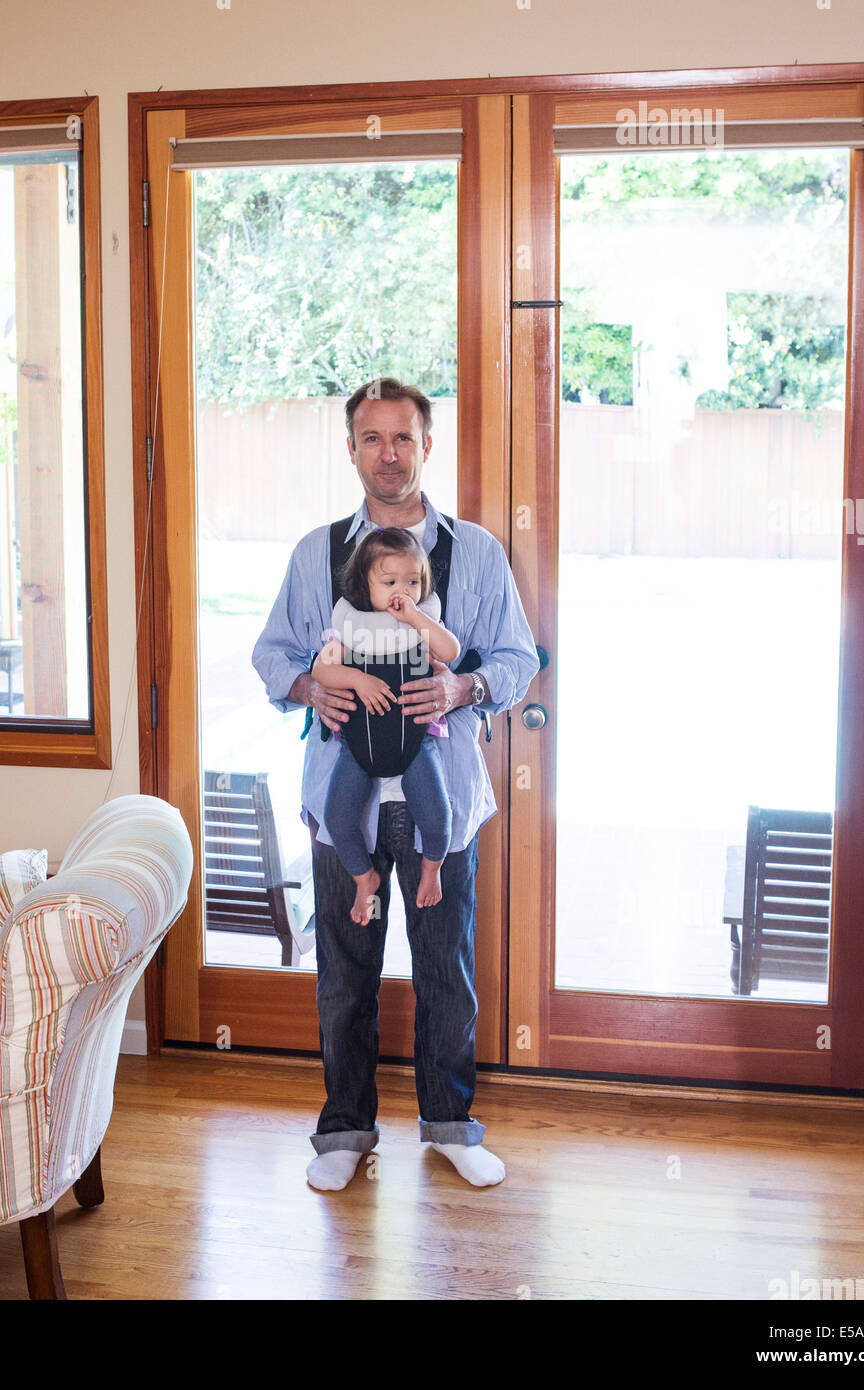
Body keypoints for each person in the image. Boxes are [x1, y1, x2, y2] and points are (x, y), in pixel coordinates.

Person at [252, 376, 539, 1191]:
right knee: (345, 975)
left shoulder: (476, 552)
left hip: (439, 798)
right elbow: (271, 655)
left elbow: (518, 659)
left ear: (426, 445)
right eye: (371, 438)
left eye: (402, 438)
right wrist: (313, 685)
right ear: (350, 449)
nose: (387, 453)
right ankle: (344, 1132)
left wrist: (463, 688)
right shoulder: (316, 553)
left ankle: (450, 1125)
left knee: (445, 968)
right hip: (341, 802)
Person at [314, 525, 461, 924]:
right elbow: (321, 670)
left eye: (413, 581)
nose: (403, 590)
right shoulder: (349, 627)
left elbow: (450, 651)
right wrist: (357, 679)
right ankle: (365, 879)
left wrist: (415, 617)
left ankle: (432, 870)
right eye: (390, 581)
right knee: (337, 819)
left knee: (436, 817)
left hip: (415, 745)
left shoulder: (419, 623)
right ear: (365, 582)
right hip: (358, 748)